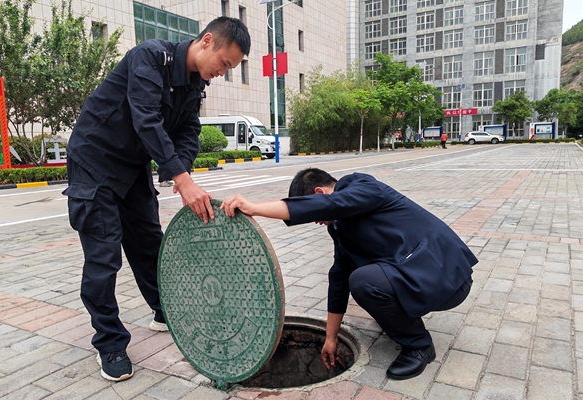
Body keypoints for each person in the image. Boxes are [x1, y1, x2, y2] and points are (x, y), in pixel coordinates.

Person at [63, 17, 251, 382]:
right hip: (94, 160)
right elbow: (146, 118)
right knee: (104, 256)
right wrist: (182, 181)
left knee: (150, 243)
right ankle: (110, 341)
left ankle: (164, 309)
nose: (222, 72)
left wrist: (184, 176)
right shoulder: (150, 58)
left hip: (132, 168)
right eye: (224, 63)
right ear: (207, 41)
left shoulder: (196, 84)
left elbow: (188, 130)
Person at [221, 168, 477, 380]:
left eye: (314, 213)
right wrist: (330, 338)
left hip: (447, 275)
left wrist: (255, 207)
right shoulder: (341, 228)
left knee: (365, 282)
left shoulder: (363, 186)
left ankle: (419, 346)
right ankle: (401, 321)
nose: (316, 222)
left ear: (318, 194)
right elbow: (339, 278)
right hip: (423, 278)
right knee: (356, 279)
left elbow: (334, 203)